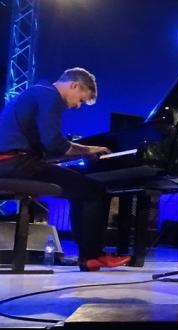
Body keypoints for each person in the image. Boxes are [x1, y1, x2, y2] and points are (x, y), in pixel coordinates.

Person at [0, 67, 130, 271]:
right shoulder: (50, 96)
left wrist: (82, 150)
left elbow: (49, 147)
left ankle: (86, 255)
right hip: (17, 164)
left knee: (79, 189)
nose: (78, 106)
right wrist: (87, 150)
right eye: (80, 99)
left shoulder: (37, 91)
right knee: (95, 190)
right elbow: (55, 145)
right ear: (74, 85)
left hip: (10, 162)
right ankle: (92, 256)